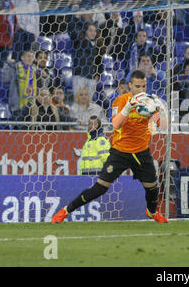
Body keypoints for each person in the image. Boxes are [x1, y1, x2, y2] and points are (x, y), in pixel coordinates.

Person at [52, 70, 169, 224]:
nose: (141, 90)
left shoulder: (150, 103)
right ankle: (65, 211)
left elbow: (164, 127)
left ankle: (152, 212)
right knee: (100, 187)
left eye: (144, 86)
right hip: (120, 152)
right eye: (137, 86)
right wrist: (128, 107)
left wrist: (161, 110)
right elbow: (115, 125)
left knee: (152, 188)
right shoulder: (120, 101)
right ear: (129, 86)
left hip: (141, 152)